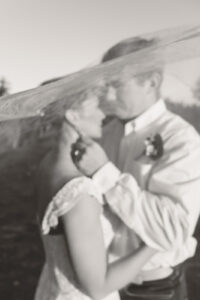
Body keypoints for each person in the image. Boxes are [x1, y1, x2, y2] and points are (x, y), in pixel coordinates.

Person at [74, 37, 200, 300]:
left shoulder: (182, 140)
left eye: (116, 84)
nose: (107, 95)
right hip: (101, 287)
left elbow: (173, 232)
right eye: (105, 84)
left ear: (151, 82)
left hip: (156, 291)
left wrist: (104, 174)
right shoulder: (104, 134)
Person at [34, 89, 156, 300]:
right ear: (72, 115)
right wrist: (156, 244)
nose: (103, 114)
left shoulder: (47, 164)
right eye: (96, 106)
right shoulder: (79, 192)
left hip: (50, 289)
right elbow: (98, 287)